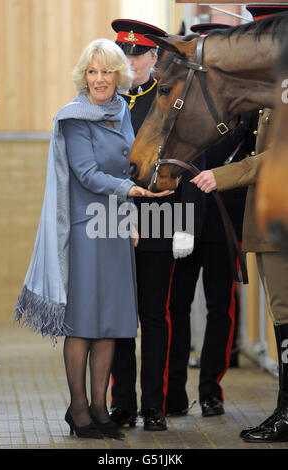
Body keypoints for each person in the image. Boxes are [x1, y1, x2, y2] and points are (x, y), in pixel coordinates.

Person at [14, 38, 171, 440]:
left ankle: (101, 409)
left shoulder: (122, 111)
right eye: (91, 71)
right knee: (82, 324)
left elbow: (129, 165)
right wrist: (134, 192)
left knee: (110, 323)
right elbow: (86, 174)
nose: (99, 79)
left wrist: (132, 219)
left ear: (118, 75)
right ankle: (79, 410)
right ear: (83, 75)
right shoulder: (74, 117)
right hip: (85, 229)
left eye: (105, 71)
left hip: (116, 227)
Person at [190, 3, 288, 444]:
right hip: (270, 224)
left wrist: (222, 175)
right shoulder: (273, 86)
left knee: (285, 318)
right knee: (281, 318)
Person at [163, 22, 260, 419]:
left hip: (224, 216)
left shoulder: (248, 97)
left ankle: (211, 391)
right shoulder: (186, 96)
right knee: (176, 305)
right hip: (184, 219)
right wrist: (183, 221)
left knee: (221, 307)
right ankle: (172, 392)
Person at [110, 19, 187, 431]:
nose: (129, 60)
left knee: (154, 316)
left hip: (159, 216)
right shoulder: (106, 99)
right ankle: (122, 402)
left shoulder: (167, 98)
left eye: (137, 53)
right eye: (124, 52)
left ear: (154, 58)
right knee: (120, 317)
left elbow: (192, 162)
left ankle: (153, 404)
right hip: (114, 218)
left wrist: (185, 224)